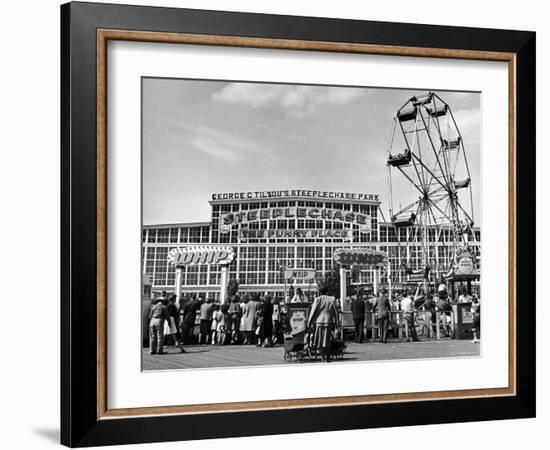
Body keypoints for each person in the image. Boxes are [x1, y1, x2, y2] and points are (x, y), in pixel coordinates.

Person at [307, 284, 339, 362]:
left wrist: (309, 323)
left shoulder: (317, 299)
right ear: (327, 291)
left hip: (319, 322)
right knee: (327, 340)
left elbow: (313, 312)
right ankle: (328, 357)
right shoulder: (331, 299)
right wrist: (337, 322)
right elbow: (336, 311)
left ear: (320, 292)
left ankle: (323, 357)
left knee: (320, 341)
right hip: (328, 321)